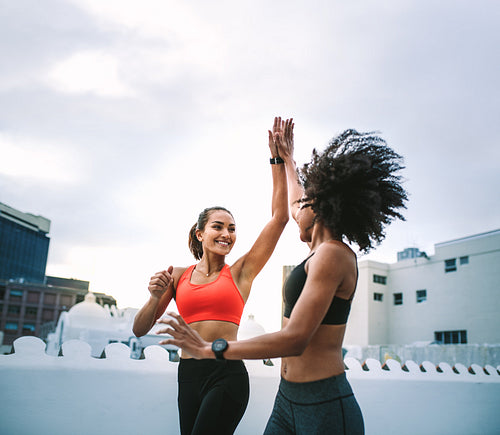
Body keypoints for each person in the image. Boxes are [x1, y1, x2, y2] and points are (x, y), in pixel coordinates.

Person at [157, 127, 408, 434]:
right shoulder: (317, 251)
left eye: (305, 202)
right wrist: (284, 158)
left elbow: (295, 338)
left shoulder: (333, 254)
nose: (297, 205)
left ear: (321, 209)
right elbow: (290, 206)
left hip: (324, 402)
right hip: (286, 399)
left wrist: (213, 349)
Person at [132, 117, 291, 435]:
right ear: (200, 233)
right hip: (187, 375)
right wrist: (153, 297)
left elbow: (280, 217)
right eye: (218, 226)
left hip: (226, 374)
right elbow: (139, 330)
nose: (227, 234)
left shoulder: (241, 272)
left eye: (232, 228)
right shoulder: (177, 276)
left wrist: (278, 160)